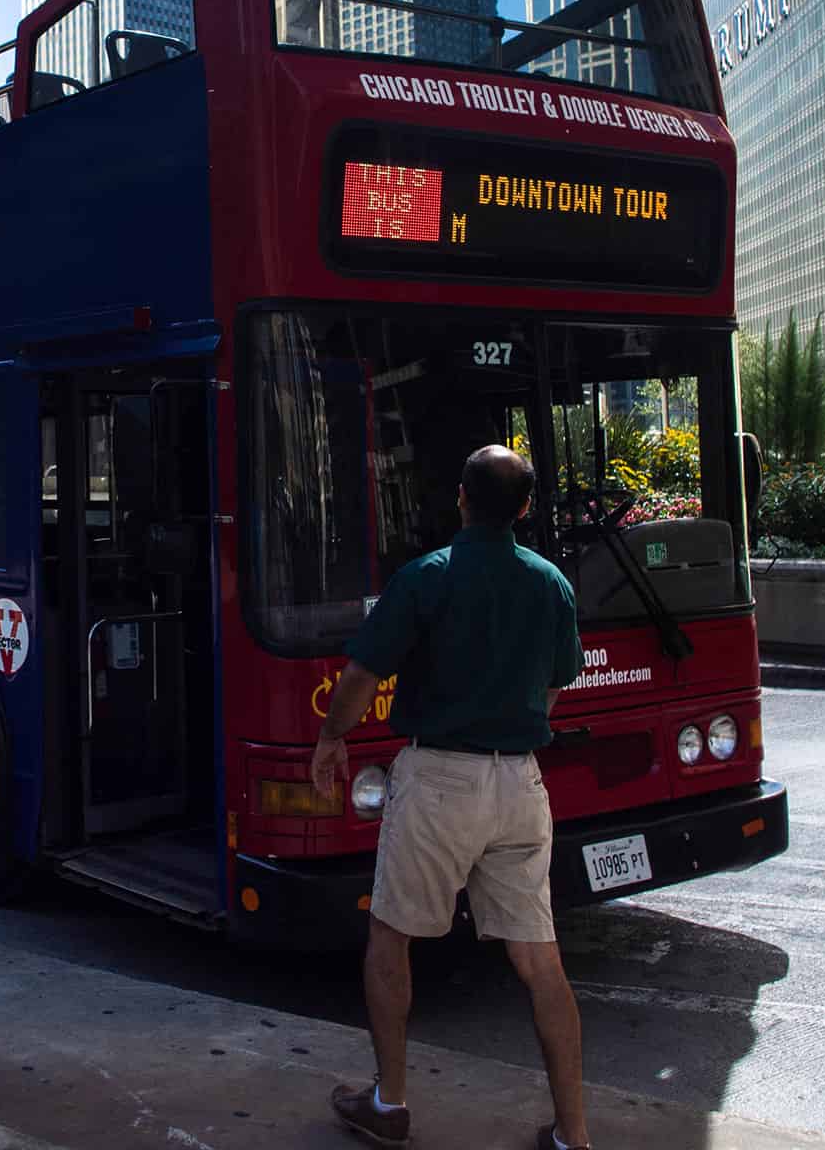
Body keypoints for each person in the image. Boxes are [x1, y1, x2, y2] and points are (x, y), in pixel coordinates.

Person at [312, 445, 591, 1150]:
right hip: (520, 784)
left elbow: (359, 676)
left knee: (391, 938)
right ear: (525, 509)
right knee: (540, 960)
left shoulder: (426, 578)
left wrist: (331, 738)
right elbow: (555, 685)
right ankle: (574, 1135)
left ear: (461, 499)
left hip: (438, 782)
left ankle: (390, 1102)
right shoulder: (551, 582)